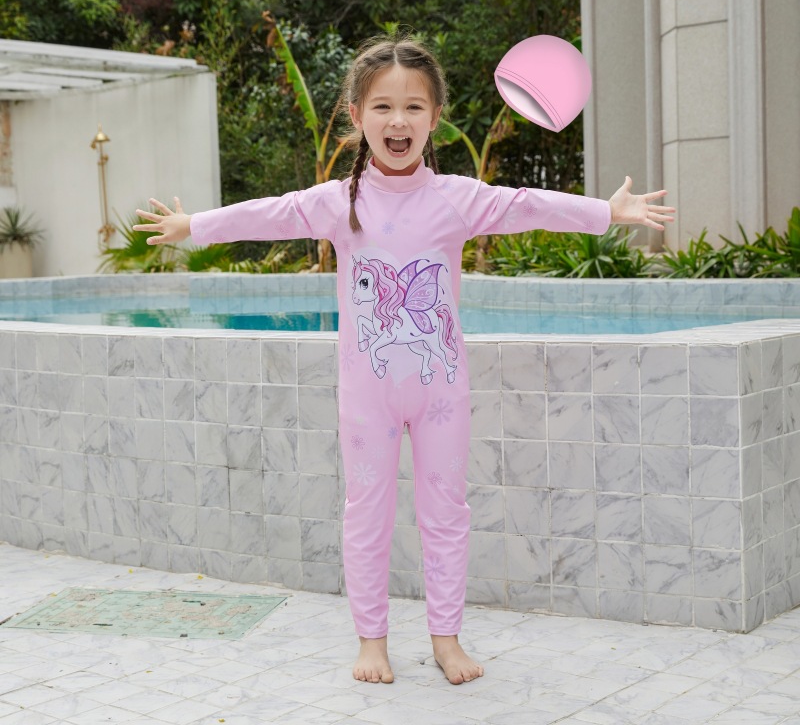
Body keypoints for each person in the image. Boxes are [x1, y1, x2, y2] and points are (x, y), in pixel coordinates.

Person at [134, 34, 675, 686]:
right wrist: (197, 226)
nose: (399, 121)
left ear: (434, 118)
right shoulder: (340, 202)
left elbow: (524, 204)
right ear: (357, 117)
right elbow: (272, 214)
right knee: (367, 512)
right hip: (368, 396)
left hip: (441, 392)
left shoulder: (456, 198)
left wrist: (604, 212)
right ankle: (373, 640)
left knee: (446, 512)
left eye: (414, 107)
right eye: (383, 107)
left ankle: (446, 639)